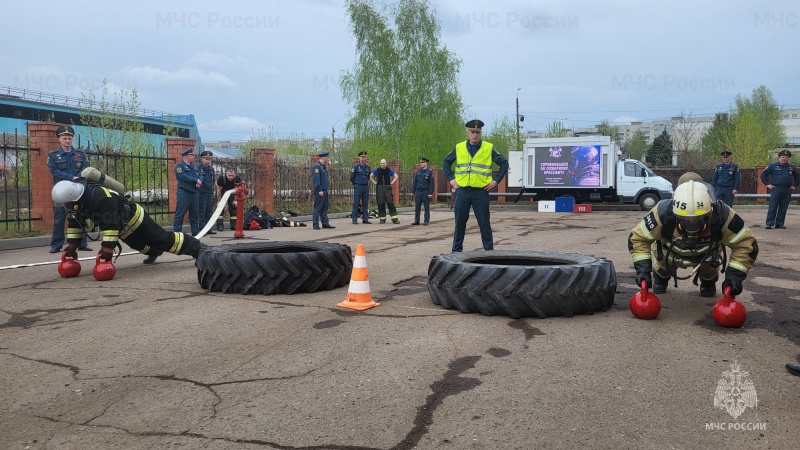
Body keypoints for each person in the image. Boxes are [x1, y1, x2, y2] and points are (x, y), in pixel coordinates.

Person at [629, 178, 758, 298]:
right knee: (662, 266)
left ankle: (708, 281)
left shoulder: (723, 216)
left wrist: (734, 277)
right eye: (685, 221)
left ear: (710, 212)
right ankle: (661, 277)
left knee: (709, 270)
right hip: (669, 253)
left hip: (706, 255)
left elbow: (746, 244)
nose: (692, 227)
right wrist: (643, 270)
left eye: (698, 220)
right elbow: (638, 238)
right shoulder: (662, 212)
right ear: (675, 213)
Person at [51, 178, 203, 267]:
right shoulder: (78, 204)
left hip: (136, 219)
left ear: (73, 196)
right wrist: (72, 246)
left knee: (162, 239)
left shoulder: (101, 197)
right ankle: (155, 252)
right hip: (123, 228)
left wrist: (107, 249)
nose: (66, 207)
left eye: (66, 204)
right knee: (139, 246)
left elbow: (110, 226)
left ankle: (199, 251)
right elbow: (75, 225)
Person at [443, 119, 509, 252]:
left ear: (481, 133)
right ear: (467, 132)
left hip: (481, 192)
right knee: (459, 223)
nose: (475, 135)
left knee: (484, 223)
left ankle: (489, 252)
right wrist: (451, 179)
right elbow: (446, 162)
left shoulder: (488, 148)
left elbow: (504, 164)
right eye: (473, 132)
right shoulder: (459, 147)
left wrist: (495, 181)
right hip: (462, 191)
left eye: (478, 132)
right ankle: (456, 252)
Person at [47, 125, 91, 253]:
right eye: (65, 138)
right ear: (59, 139)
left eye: (69, 138)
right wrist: (72, 177)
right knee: (60, 219)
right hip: (61, 192)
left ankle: (82, 243)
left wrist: (79, 178)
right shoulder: (54, 156)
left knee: (80, 216)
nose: (67, 141)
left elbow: (85, 169)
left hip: (78, 191)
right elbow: (54, 171)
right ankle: (56, 245)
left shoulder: (80, 154)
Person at [760, 149, 800, 229]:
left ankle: (779, 224)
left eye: (786, 157)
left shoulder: (791, 167)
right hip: (776, 189)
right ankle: (769, 223)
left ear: (788, 158)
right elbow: (763, 175)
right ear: (779, 158)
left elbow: (797, 177)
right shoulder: (773, 166)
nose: (784, 158)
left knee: (783, 207)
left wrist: (794, 185)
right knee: (773, 206)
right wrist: (767, 184)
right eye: (782, 157)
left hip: (787, 190)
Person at [173, 147, 202, 236]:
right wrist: (195, 181)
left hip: (194, 192)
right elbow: (183, 177)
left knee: (194, 214)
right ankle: (177, 233)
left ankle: (195, 233)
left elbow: (201, 175)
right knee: (180, 213)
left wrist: (200, 181)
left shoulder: (194, 166)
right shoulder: (179, 167)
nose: (194, 157)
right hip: (184, 192)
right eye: (192, 155)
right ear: (187, 156)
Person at [370, 159, 400, 224]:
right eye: (381, 163)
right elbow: (371, 176)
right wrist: (374, 182)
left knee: (390, 203)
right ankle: (382, 219)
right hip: (379, 188)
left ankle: (395, 219)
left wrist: (391, 182)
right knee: (381, 203)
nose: (382, 164)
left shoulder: (389, 170)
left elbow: (396, 176)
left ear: (386, 164)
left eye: (383, 163)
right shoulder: (377, 170)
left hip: (387, 188)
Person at [312, 151, 334, 230]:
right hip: (320, 190)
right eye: (327, 157)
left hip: (325, 189)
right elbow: (317, 180)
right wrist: (319, 190)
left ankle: (325, 223)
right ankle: (315, 224)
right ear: (324, 158)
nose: (328, 159)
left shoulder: (323, 166)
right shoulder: (317, 167)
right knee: (318, 207)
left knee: (324, 207)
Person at [350, 151, 372, 224]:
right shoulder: (356, 167)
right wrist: (356, 184)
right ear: (359, 158)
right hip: (358, 186)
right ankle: (354, 219)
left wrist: (365, 182)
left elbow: (368, 177)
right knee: (356, 203)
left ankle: (365, 219)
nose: (363, 159)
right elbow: (351, 177)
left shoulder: (368, 167)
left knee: (365, 203)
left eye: (364, 157)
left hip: (365, 186)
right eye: (362, 157)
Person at [197, 150, 216, 234]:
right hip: (202, 192)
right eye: (206, 159)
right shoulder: (198, 168)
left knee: (209, 211)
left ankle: (208, 229)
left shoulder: (211, 169)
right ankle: (202, 229)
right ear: (202, 159)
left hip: (209, 192)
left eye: (209, 159)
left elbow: (213, 180)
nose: (208, 161)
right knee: (202, 211)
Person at [412, 157, 435, 225]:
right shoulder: (418, 171)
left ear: (426, 163)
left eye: (422, 162)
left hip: (425, 191)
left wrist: (430, 192)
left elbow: (431, 183)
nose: (421, 164)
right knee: (417, 207)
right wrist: (413, 191)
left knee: (426, 207)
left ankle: (426, 220)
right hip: (418, 191)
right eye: (420, 162)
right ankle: (417, 220)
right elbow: (415, 182)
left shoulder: (430, 172)